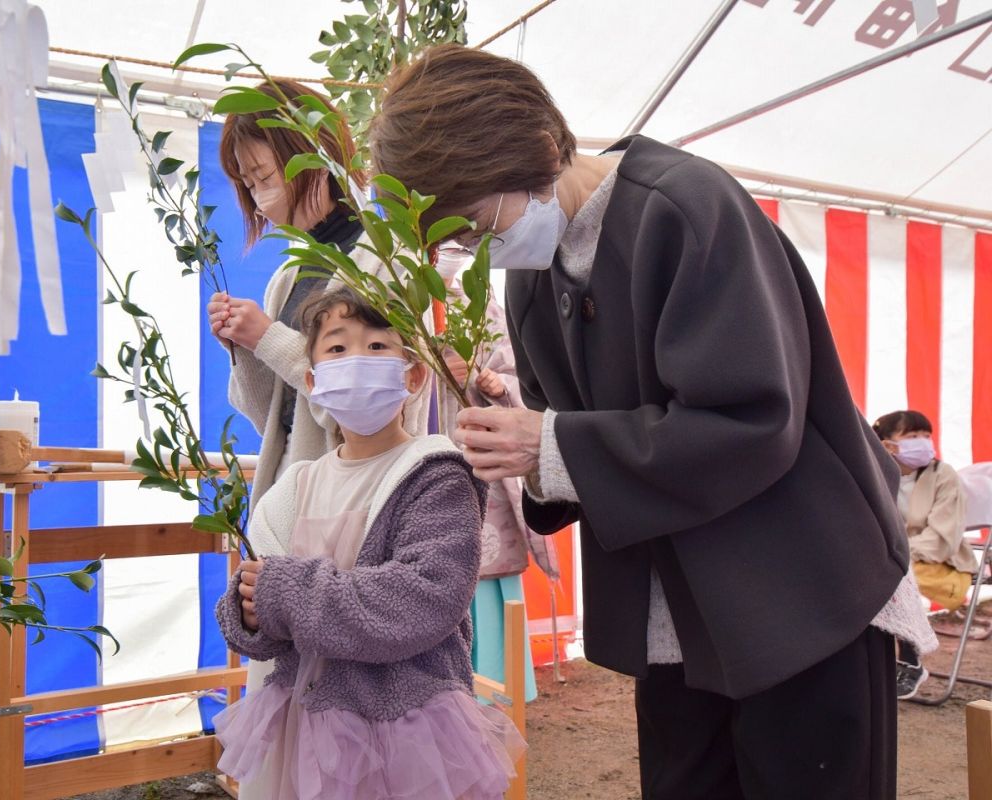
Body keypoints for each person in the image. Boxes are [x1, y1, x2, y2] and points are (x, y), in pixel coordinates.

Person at [368, 44, 933, 799]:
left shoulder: (685, 207)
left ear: (538, 146)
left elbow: (753, 418)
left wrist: (556, 442)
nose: (476, 249)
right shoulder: (530, 280)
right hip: (678, 618)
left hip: (801, 596)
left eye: (475, 221)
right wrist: (520, 438)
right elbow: (563, 444)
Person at [207, 81, 430, 799]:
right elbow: (265, 410)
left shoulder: (376, 259)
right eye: (247, 183)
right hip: (290, 495)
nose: (259, 196)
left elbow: (363, 399)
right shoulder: (283, 276)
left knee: (347, 700)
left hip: (352, 507)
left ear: (311, 158)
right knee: (288, 700)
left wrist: (269, 338)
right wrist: (245, 346)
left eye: (264, 176)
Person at [213, 287, 525, 799]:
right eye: (337, 348)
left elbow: (424, 598)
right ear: (311, 380)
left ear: (414, 374)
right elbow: (258, 598)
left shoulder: (434, 472)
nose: (357, 359)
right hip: (302, 721)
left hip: (401, 727)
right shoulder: (295, 486)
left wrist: (286, 592)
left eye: (378, 347)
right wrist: (250, 613)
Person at [433, 245, 553, 702]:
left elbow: (520, 376)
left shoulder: (476, 299)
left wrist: (496, 385)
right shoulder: (395, 301)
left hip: (478, 465)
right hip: (426, 455)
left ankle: (499, 694)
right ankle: (444, 698)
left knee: (487, 579)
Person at [874, 410, 971, 699]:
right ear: (886, 444)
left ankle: (910, 660)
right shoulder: (874, 473)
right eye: (911, 436)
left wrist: (895, 553)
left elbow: (942, 538)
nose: (922, 442)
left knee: (891, 578)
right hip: (890, 563)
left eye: (925, 436)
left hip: (942, 568)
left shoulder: (943, 476)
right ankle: (872, 665)